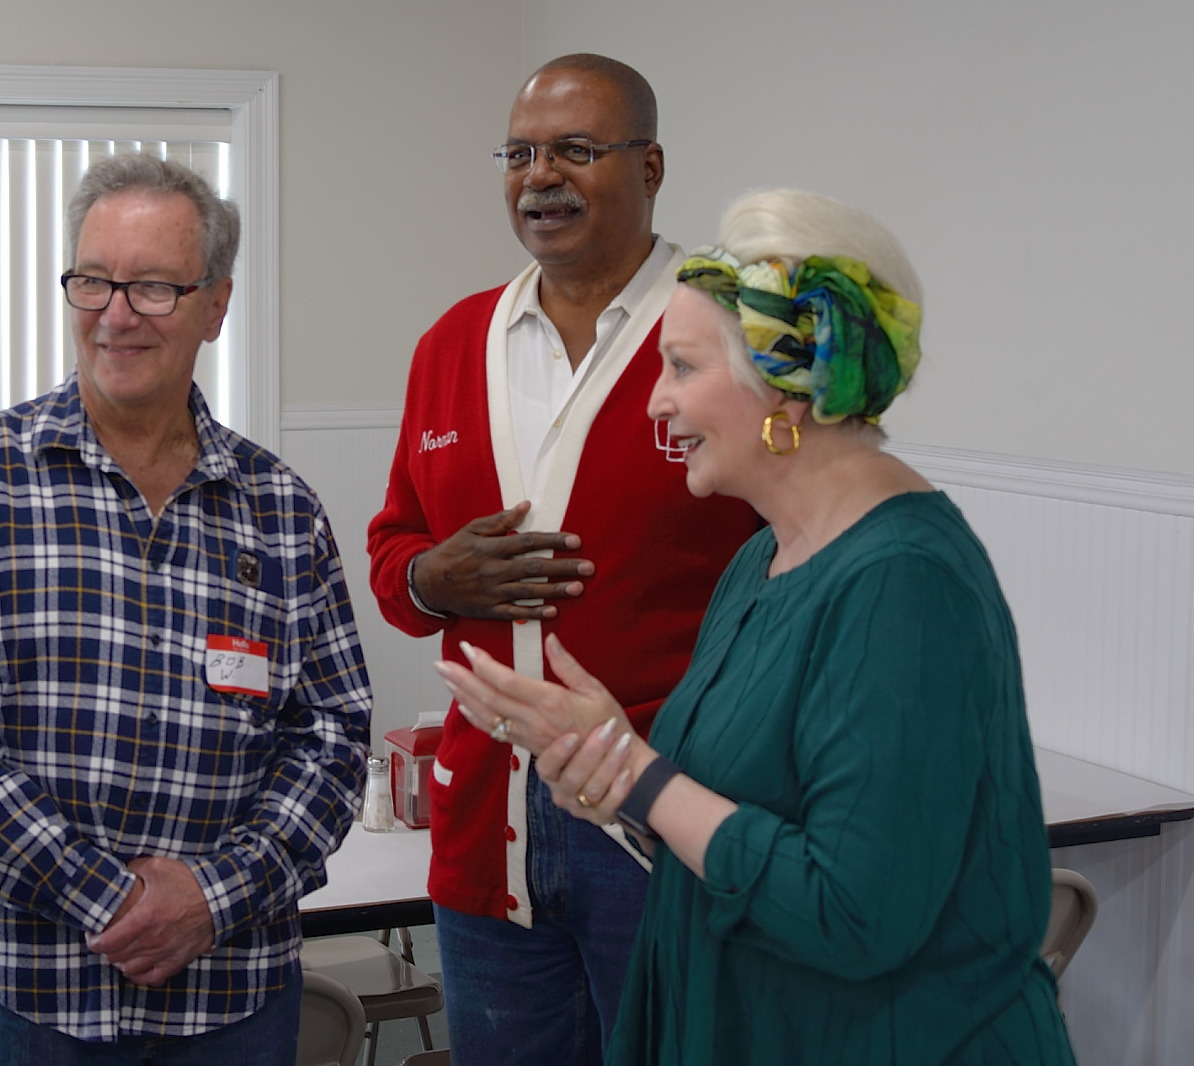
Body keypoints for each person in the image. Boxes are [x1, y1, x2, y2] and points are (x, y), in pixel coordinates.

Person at [439, 189, 1077, 1063]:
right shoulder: (762, 561)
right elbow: (728, 820)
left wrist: (638, 775)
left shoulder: (904, 585)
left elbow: (855, 913)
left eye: (682, 368)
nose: (656, 403)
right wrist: (611, 779)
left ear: (792, 386)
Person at [0, 152, 373, 1064]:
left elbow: (332, 736)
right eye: (93, 280)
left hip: (233, 998)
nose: (115, 314)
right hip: (36, 998)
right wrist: (109, 902)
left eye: (153, 286)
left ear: (216, 305)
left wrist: (211, 898)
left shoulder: (281, 509)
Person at [364, 55, 758, 1064]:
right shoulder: (453, 343)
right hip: (487, 823)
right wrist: (427, 579)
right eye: (522, 153)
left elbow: (800, 561)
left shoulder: (733, 330)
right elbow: (393, 549)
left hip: (669, 814)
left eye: (577, 151)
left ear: (652, 165)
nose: (542, 177)